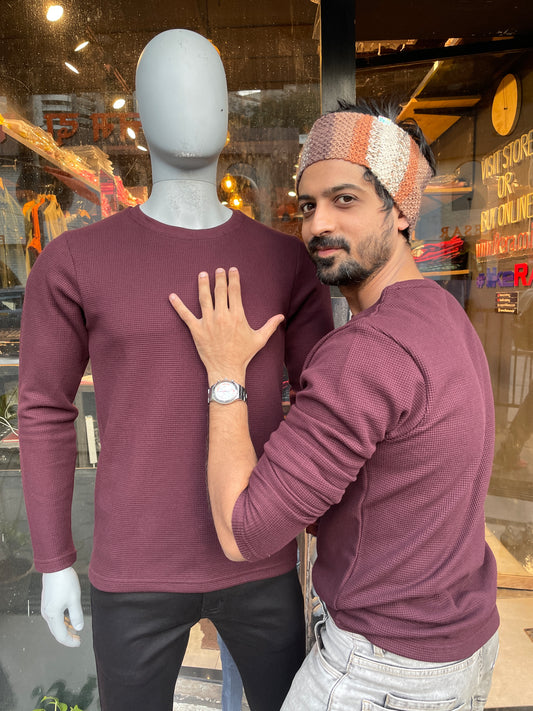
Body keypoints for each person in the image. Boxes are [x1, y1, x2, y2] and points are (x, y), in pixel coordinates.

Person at [18, 29, 333, 711]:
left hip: (260, 552)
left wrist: (334, 552)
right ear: (139, 113)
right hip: (135, 565)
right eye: (168, 89)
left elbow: (325, 408)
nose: (188, 104)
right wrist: (54, 560)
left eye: (206, 89)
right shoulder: (75, 262)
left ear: (226, 112)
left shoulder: (284, 261)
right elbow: (43, 406)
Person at [169, 101, 500, 710]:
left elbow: (244, 532)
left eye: (344, 200)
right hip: (459, 645)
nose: (318, 224)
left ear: (401, 211)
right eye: (307, 205)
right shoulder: (443, 313)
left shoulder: (365, 350)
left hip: (382, 671)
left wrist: (225, 373)